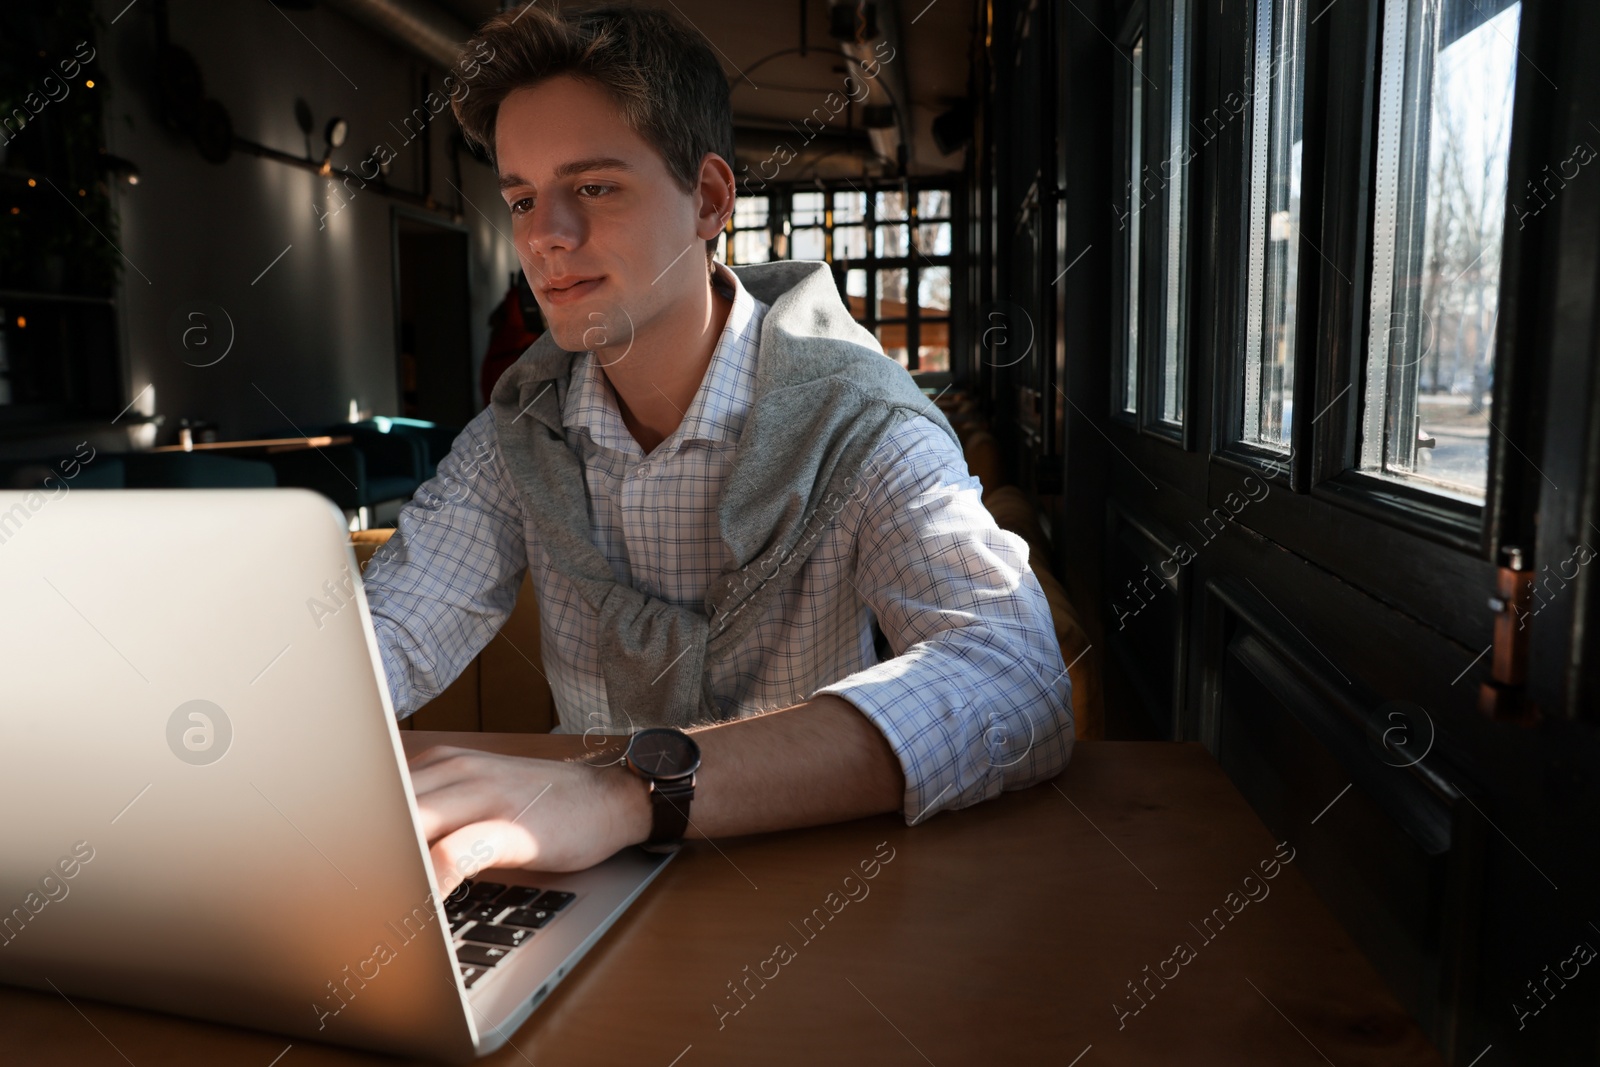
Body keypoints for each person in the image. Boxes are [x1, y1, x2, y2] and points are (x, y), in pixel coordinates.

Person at [361, 3, 1072, 891]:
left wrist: (624, 794)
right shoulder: (524, 430)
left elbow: (1018, 681)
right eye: (521, 197)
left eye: (593, 187)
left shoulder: (854, 417)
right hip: (581, 886)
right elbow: (387, 637)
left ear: (708, 199)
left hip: (812, 886)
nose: (545, 234)